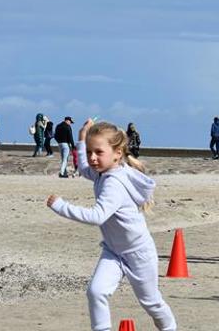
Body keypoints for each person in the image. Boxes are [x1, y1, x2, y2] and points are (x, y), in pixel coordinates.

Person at [45, 119, 177, 331]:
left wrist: (61, 206)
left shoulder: (114, 183)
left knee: (151, 302)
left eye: (98, 152)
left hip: (138, 253)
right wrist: (82, 139)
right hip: (113, 251)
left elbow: (97, 216)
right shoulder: (102, 173)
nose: (92, 157)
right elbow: (84, 169)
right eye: (90, 152)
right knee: (96, 291)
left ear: (117, 153)